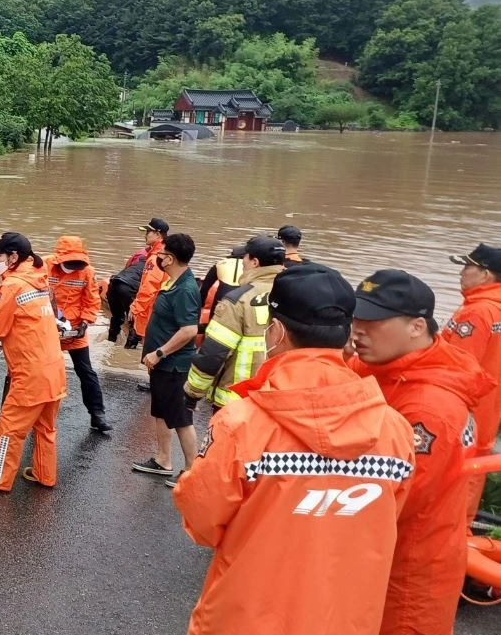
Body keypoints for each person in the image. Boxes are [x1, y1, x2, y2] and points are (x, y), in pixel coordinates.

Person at [173, 264, 416, 635]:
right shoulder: (395, 430)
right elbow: (385, 522)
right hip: (347, 620)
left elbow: (203, 521)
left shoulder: (243, 423)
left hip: (244, 618)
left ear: (277, 331)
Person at [347, 269, 495, 635]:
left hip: (409, 567)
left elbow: (396, 498)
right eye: (355, 317)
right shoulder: (386, 366)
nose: (357, 329)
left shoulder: (430, 408)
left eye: (373, 321)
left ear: (416, 327)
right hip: (377, 553)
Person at [0, 233, 67, 492]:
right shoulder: (39, 278)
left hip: (30, 373)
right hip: (54, 369)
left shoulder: (13, 285)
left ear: (13, 257)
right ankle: (45, 474)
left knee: (9, 428)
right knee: (45, 428)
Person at [131, 234, 201, 486]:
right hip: (161, 365)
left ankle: (192, 471)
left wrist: (159, 352)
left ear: (170, 258)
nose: (158, 257)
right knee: (161, 410)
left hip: (173, 365)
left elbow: (189, 330)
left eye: (162, 254)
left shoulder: (185, 289)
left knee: (180, 418)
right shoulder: (173, 282)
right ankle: (163, 460)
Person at [185, 236, 285, 410]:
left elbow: (214, 353)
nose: (243, 261)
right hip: (279, 398)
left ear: (254, 262)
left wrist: (193, 392)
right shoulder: (296, 295)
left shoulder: (238, 300)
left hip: (237, 399)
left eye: (245, 257)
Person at [443, 243, 501, 521]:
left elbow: (458, 367)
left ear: (486, 274)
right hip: (487, 410)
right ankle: (461, 529)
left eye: (467, 267)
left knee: (455, 476)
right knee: (473, 469)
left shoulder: (477, 312)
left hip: (466, 411)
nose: (461, 273)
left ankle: (454, 535)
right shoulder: (495, 308)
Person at [46, 236, 111, 432]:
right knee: (45, 371)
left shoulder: (87, 272)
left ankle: (97, 414)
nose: (74, 266)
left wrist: (85, 323)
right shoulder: (45, 266)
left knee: (86, 372)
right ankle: (41, 413)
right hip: (48, 327)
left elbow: (91, 301)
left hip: (75, 328)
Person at [128, 218, 170, 342]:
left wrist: (135, 308)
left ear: (157, 235)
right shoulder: (166, 253)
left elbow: (149, 287)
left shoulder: (155, 258)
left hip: (153, 311)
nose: (145, 235)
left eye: (148, 232)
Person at [196, 244, 245, 340]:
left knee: (212, 326)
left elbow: (206, 287)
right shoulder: (251, 266)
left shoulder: (220, 263)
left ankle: (206, 338)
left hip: (221, 299)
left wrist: (200, 306)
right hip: (240, 300)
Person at [106, 251, 147, 344]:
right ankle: (130, 349)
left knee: (117, 317)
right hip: (128, 289)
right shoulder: (154, 267)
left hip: (114, 284)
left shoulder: (138, 258)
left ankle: (111, 340)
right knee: (134, 322)